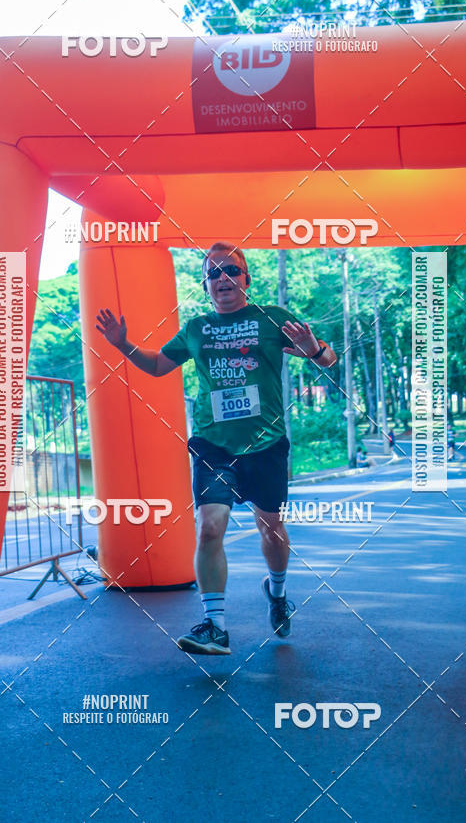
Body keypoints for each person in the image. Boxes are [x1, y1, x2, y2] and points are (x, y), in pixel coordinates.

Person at [96, 242, 337, 655]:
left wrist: (314, 348)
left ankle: (277, 594)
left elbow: (326, 359)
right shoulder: (196, 328)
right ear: (205, 285)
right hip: (214, 446)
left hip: (266, 445)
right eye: (213, 274)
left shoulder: (271, 319)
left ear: (246, 279)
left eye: (230, 271)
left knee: (272, 528)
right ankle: (215, 625)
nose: (222, 279)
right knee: (209, 527)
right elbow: (157, 366)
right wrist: (123, 345)